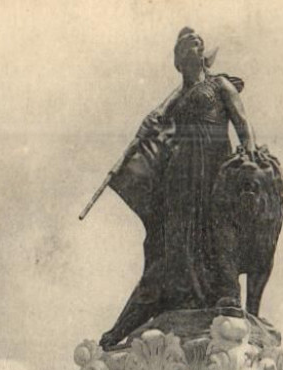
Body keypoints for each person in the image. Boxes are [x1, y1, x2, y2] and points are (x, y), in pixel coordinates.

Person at [101, 28, 258, 349]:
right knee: (176, 237)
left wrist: (250, 151)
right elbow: (155, 130)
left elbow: (242, 123)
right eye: (186, 45)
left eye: (197, 43)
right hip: (180, 175)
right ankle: (178, 296)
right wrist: (145, 128)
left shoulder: (220, 85)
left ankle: (225, 294)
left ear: (203, 55)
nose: (193, 46)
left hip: (214, 166)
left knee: (218, 228)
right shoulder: (175, 100)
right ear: (178, 60)